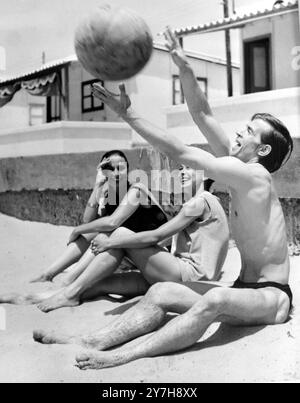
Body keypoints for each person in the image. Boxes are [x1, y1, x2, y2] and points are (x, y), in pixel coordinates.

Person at [32, 28, 294, 369]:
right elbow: (202, 114)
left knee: (213, 299)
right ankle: (90, 340)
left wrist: (129, 115)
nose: (239, 131)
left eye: (249, 130)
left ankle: (121, 356)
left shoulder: (256, 176)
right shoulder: (238, 169)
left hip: (271, 296)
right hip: (243, 287)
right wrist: (184, 67)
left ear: (261, 149)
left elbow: (184, 151)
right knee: (160, 292)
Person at [19, 165, 228, 312]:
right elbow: (166, 239)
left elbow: (158, 234)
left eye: (189, 168)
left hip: (188, 277)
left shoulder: (198, 203)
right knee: (103, 283)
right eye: (180, 168)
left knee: (119, 234)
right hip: (188, 278)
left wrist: (112, 243)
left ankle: (70, 292)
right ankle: (51, 294)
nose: (181, 172)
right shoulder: (210, 202)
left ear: (206, 173)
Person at [30, 149, 169, 284]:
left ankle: (69, 280)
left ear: (128, 169)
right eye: (110, 169)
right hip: (130, 247)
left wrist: (77, 230)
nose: (116, 173)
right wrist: (97, 185)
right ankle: (48, 274)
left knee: (104, 234)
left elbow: (112, 222)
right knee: (94, 231)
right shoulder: (108, 195)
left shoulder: (137, 190)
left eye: (120, 168)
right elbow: (88, 221)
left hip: (154, 252)